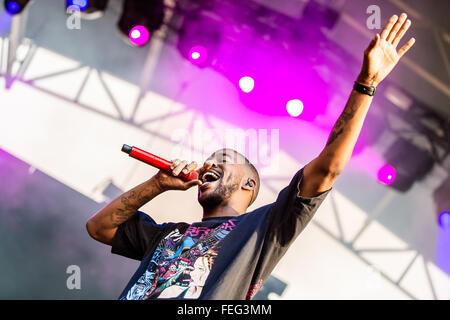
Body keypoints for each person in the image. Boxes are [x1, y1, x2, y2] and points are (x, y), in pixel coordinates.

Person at [86, 13, 415, 300]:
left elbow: (327, 170)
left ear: (248, 184)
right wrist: (157, 184)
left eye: (223, 158)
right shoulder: (167, 236)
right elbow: (99, 227)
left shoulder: (264, 229)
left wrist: (367, 83)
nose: (209, 164)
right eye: (210, 158)